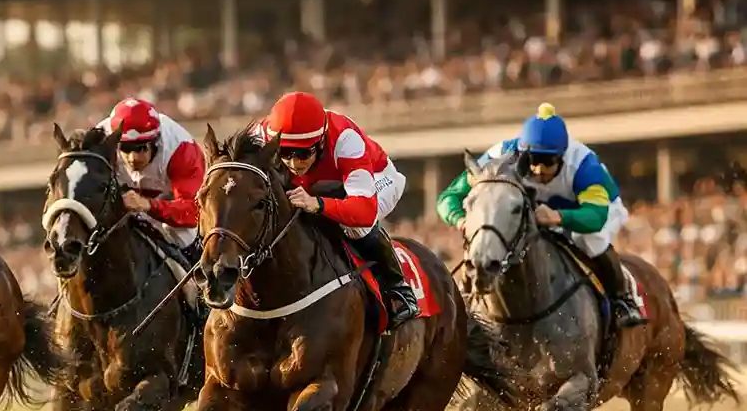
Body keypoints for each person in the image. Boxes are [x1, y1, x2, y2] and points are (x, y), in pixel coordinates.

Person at [436, 102, 646, 328]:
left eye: (547, 161)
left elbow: (595, 217)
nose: (538, 169)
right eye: (533, 159)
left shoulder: (584, 165)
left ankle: (623, 298)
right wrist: (461, 219)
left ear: (563, 156)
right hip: (532, 204)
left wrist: (559, 217)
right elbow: (448, 198)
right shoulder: (498, 158)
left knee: (589, 241)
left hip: (590, 208)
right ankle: (470, 295)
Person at [259, 91, 419, 330]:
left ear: (321, 141)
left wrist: (319, 204)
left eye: (303, 153)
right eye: (284, 153)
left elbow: (363, 211)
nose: (293, 163)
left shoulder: (346, 140)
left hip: (377, 179)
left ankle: (398, 289)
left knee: (354, 225)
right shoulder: (260, 134)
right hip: (318, 187)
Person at [95, 98, 206, 269]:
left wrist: (149, 205)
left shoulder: (181, 149)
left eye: (141, 148)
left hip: (170, 210)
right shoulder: (98, 141)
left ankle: (201, 287)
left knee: (183, 235)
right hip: (122, 207)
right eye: (125, 148)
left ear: (155, 141)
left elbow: (193, 213)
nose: (133, 158)